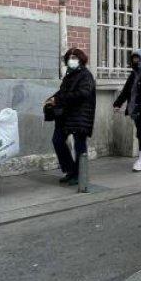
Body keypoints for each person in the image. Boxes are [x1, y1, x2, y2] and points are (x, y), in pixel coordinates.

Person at [46, 48, 96, 184]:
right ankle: (70, 170)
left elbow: (83, 93)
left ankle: (80, 174)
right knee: (57, 140)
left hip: (80, 115)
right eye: (69, 57)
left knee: (80, 145)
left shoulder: (86, 75)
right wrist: (52, 99)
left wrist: (59, 99)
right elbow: (62, 92)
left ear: (81, 59)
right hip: (65, 115)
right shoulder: (69, 75)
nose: (71, 60)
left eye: (74, 57)